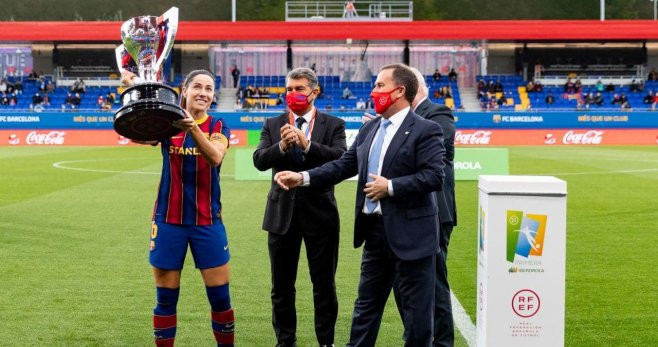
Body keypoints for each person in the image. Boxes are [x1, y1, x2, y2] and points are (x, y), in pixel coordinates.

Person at [274, 63, 446, 347]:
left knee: (417, 319)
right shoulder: (370, 129)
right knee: (365, 311)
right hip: (375, 235)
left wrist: (389, 187)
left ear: (400, 90)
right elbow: (343, 166)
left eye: (380, 85)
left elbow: (433, 176)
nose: (373, 90)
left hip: (412, 237)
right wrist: (302, 177)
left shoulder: (426, 129)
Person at [121, 69, 235, 347]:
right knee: (166, 299)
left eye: (209, 89)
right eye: (197, 86)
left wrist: (192, 127)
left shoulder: (218, 125)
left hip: (207, 222)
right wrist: (132, 93)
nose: (203, 93)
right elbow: (137, 130)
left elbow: (215, 157)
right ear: (184, 90)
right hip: (168, 221)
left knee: (220, 298)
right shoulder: (167, 124)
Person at [252, 67, 347, 347]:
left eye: (299, 89)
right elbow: (258, 160)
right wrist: (281, 146)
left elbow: (341, 161)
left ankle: (326, 342)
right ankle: (285, 341)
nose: (293, 95)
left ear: (314, 92)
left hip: (321, 216)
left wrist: (308, 145)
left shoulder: (334, 124)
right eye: (289, 90)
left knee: (324, 286)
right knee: (281, 287)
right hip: (281, 216)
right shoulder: (273, 124)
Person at [400, 67, 456, 346]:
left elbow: (433, 150)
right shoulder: (400, 119)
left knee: (434, 282)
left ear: (412, 86)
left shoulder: (438, 112)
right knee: (408, 284)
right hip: (410, 210)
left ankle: (443, 342)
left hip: (436, 210)